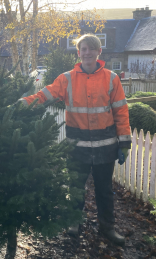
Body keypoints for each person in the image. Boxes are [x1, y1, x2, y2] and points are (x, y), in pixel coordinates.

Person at [19, 34, 131, 246]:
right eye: (83, 49)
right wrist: (24, 103)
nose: (87, 53)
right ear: (78, 53)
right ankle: (73, 222)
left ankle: (107, 228)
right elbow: (45, 95)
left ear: (99, 52)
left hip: (105, 146)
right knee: (75, 187)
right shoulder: (67, 78)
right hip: (76, 146)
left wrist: (124, 142)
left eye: (91, 49)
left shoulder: (111, 78)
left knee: (104, 190)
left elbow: (121, 111)